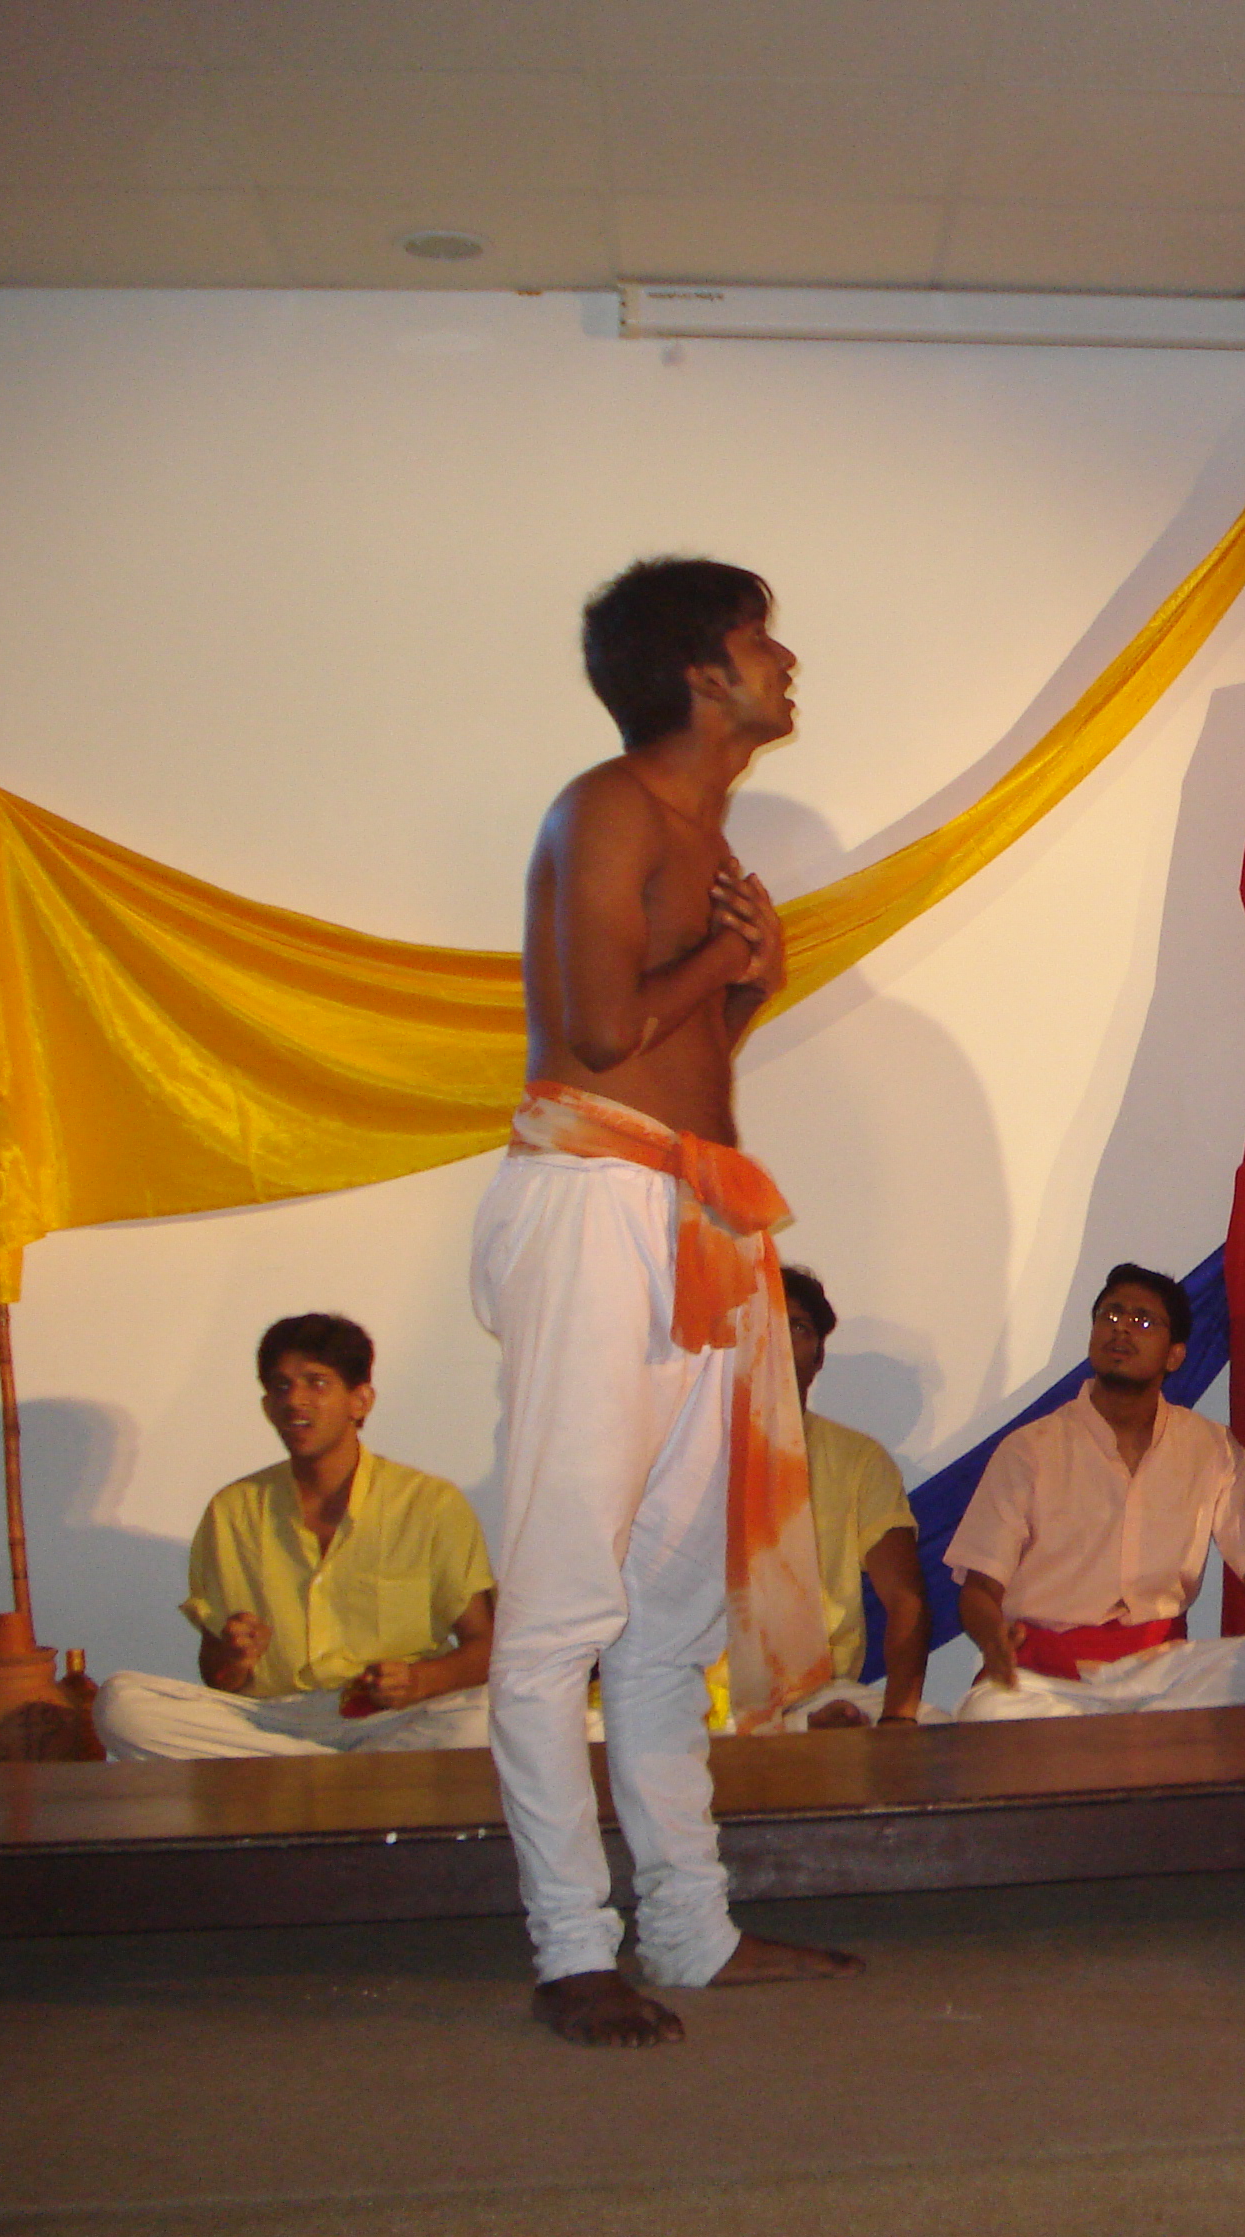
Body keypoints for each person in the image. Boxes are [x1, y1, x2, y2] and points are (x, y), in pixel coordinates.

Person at [469, 556, 858, 2051]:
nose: (786, 661)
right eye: (763, 638)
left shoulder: (702, 830)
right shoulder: (611, 807)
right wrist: (722, 959)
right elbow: (597, 1029)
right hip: (596, 1205)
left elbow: (688, 1043)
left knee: (668, 1607)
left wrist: (746, 981)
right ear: (702, 672)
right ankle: (573, 1948)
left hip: (690, 1210)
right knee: (564, 1603)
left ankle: (692, 1930)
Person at [95, 1315, 495, 1761]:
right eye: (281, 1386)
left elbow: (485, 1646)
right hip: (271, 1718)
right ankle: (346, 1774)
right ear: (268, 1406)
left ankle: (294, 1773)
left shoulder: (429, 1503)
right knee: (122, 1704)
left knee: (491, 1715)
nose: (295, 1400)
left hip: (390, 1717)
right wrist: (234, 1659)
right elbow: (218, 1675)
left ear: (360, 1400)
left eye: (316, 1383)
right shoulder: (233, 1510)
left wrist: (418, 1682)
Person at [945, 1264, 1245, 1720]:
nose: (1121, 1328)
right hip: (1052, 1677)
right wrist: (993, 1640)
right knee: (989, 1711)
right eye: (1110, 1315)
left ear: (1175, 1355)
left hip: (1162, 1674)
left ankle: (1107, 1740)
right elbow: (980, 1587)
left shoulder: (1210, 1447)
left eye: (1143, 1321)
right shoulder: (1030, 1448)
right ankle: (1136, 1739)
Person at [778, 1265, 931, 1730]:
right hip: (688, 1693)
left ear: (818, 1358)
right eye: (763, 1324)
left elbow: (905, 1598)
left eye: (797, 1328)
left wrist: (898, 1721)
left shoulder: (858, 1460)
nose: (778, 1341)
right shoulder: (678, 1451)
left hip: (815, 1692)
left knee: (935, 1728)